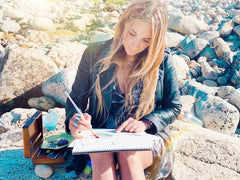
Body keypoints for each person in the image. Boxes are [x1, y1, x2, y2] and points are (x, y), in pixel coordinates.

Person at [65, 0, 182, 179]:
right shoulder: (94, 53)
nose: (134, 45)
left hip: (145, 136)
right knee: (102, 158)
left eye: (146, 40)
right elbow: (76, 100)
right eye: (132, 33)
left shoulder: (163, 62)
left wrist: (146, 123)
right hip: (100, 134)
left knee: (129, 156)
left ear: (155, 40)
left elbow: (173, 107)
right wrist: (75, 120)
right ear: (124, 24)